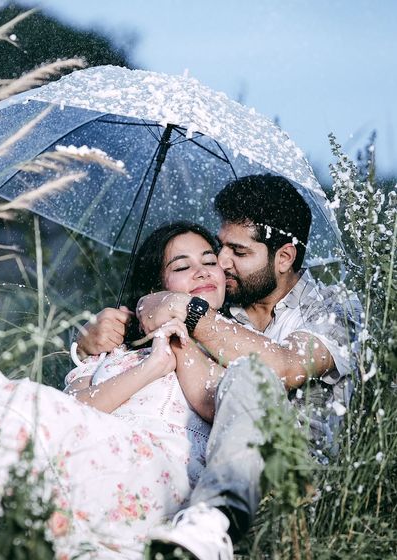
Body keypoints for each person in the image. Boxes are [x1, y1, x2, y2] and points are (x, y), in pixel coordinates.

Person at [78, 174, 361, 560]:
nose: (222, 263)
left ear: (284, 257)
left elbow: (287, 364)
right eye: (220, 247)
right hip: (195, 462)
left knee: (252, 374)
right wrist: (92, 339)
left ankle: (214, 519)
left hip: (288, 484)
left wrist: (183, 308)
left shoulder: (334, 309)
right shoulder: (226, 308)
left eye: (238, 253)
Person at [0, 222, 227, 560]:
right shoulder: (112, 350)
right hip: (87, 454)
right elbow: (70, 409)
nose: (200, 272)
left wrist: (180, 337)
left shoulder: (230, 347)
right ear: (155, 287)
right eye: (182, 266)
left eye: (210, 262)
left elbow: (222, 404)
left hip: (158, 474)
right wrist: (149, 367)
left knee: (20, 401)